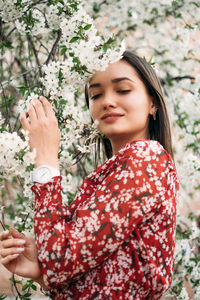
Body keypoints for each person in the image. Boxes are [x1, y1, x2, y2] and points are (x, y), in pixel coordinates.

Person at [0, 51, 179, 300]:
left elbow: (60, 259)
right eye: (96, 94)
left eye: (123, 90)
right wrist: (41, 271)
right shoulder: (112, 173)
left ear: (153, 103)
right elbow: (91, 278)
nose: (107, 101)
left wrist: (46, 157)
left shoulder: (146, 159)